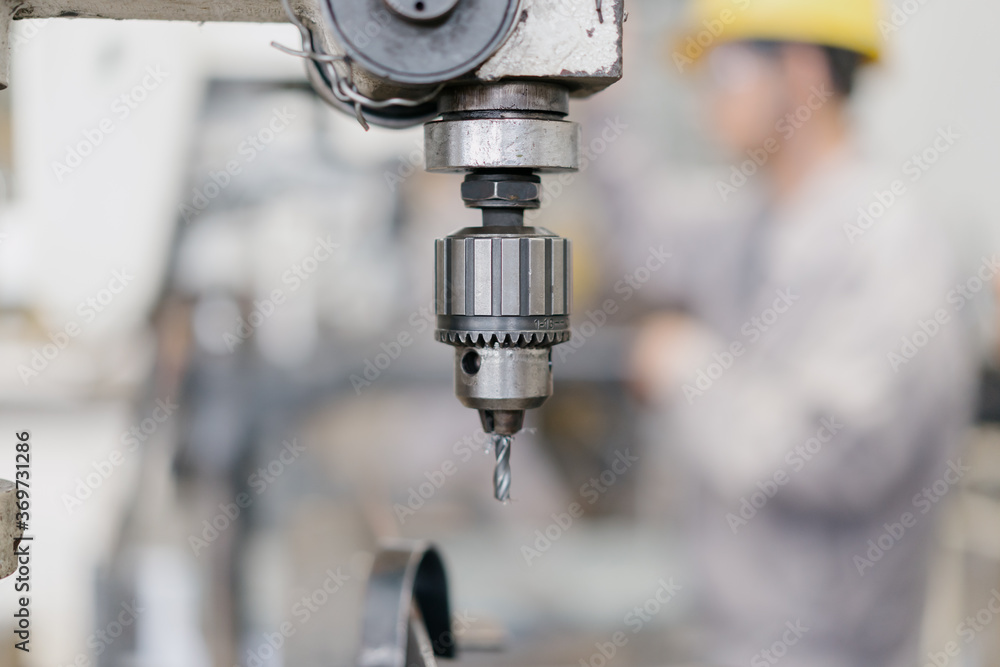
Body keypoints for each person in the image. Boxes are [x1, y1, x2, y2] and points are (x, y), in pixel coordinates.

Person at [626, 1, 978, 665]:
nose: (707, 96)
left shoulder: (889, 249)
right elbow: (642, 237)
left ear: (804, 72)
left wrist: (686, 369)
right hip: (730, 637)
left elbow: (835, 453)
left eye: (726, 67)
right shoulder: (754, 219)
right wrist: (598, 112)